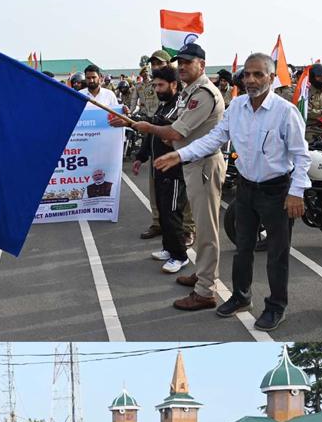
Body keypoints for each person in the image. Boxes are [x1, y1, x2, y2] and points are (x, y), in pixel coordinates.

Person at [155, 51, 310, 331]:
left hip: (277, 191)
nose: (250, 79)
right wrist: (180, 156)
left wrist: (296, 191)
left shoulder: (285, 112)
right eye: (247, 74)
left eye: (258, 74)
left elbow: (301, 156)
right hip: (246, 188)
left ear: (272, 78)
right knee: (243, 248)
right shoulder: (236, 106)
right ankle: (241, 297)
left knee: (277, 253)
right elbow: (213, 139)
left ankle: (276, 306)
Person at [135, 43, 225, 314]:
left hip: (203, 165)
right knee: (198, 223)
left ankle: (206, 291)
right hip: (192, 163)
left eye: (188, 62)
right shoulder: (191, 92)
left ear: (202, 64)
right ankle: (203, 274)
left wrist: (148, 127)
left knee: (206, 230)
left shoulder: (204, 94)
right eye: (180, 62)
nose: (182, 66)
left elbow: (176, 132)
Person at [132, 65, 193, 276]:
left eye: (161, 85)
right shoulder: (163, 105)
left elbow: (165, 125)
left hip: (175, 169)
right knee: (164, 211)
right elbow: (151, 133)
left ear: (174, 84)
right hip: (159, 167)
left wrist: (141, 122)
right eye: (155, 85)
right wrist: (141, 157)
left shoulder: (180, 105)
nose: (157, 89)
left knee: (173, 213)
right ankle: (169, 249)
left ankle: (180, 256)